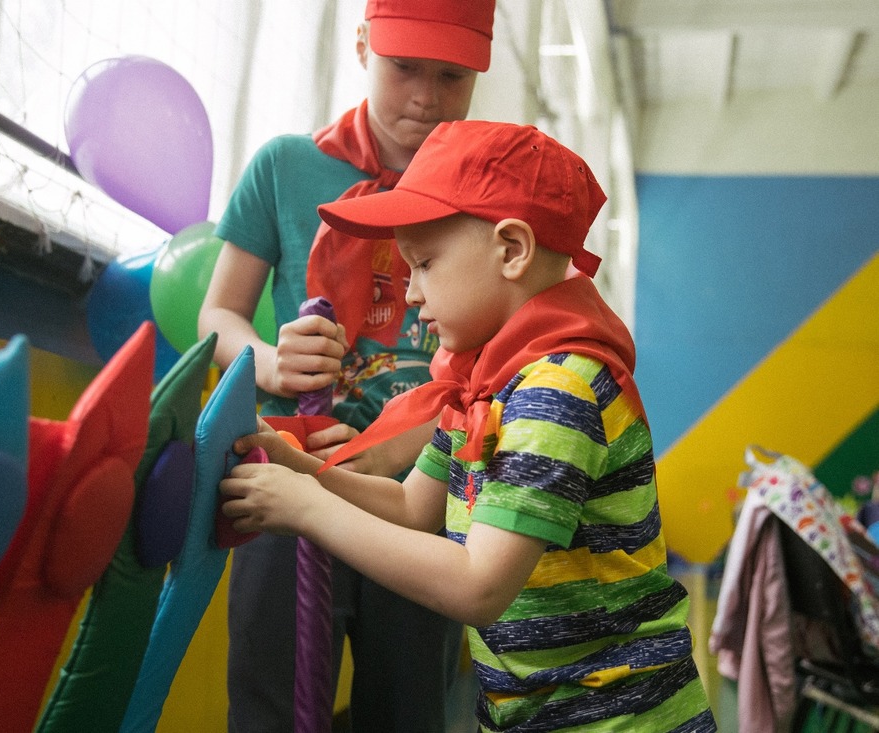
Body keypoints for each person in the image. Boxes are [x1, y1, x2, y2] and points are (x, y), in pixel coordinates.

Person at [219, 121, 717, 732]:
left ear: (512, 250)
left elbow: (478, 586)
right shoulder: (487, 386)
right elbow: (407, 506)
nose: (410, 294)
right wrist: (300, 468)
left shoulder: (555, 391)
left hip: (616, 719)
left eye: (424, 264)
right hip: (534, 713)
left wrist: (306, 509)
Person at [199, 1, 496, 731]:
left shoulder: (486, 197)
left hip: (423, 501)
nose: (425, 96)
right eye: (403, 69)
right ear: (363, 45)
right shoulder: (286, 167)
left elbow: (501, 352)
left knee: (409, 710)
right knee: (271, 707)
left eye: (451, 77)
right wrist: (270, 361)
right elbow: (215, 318)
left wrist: (425, 441)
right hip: (290, 476)